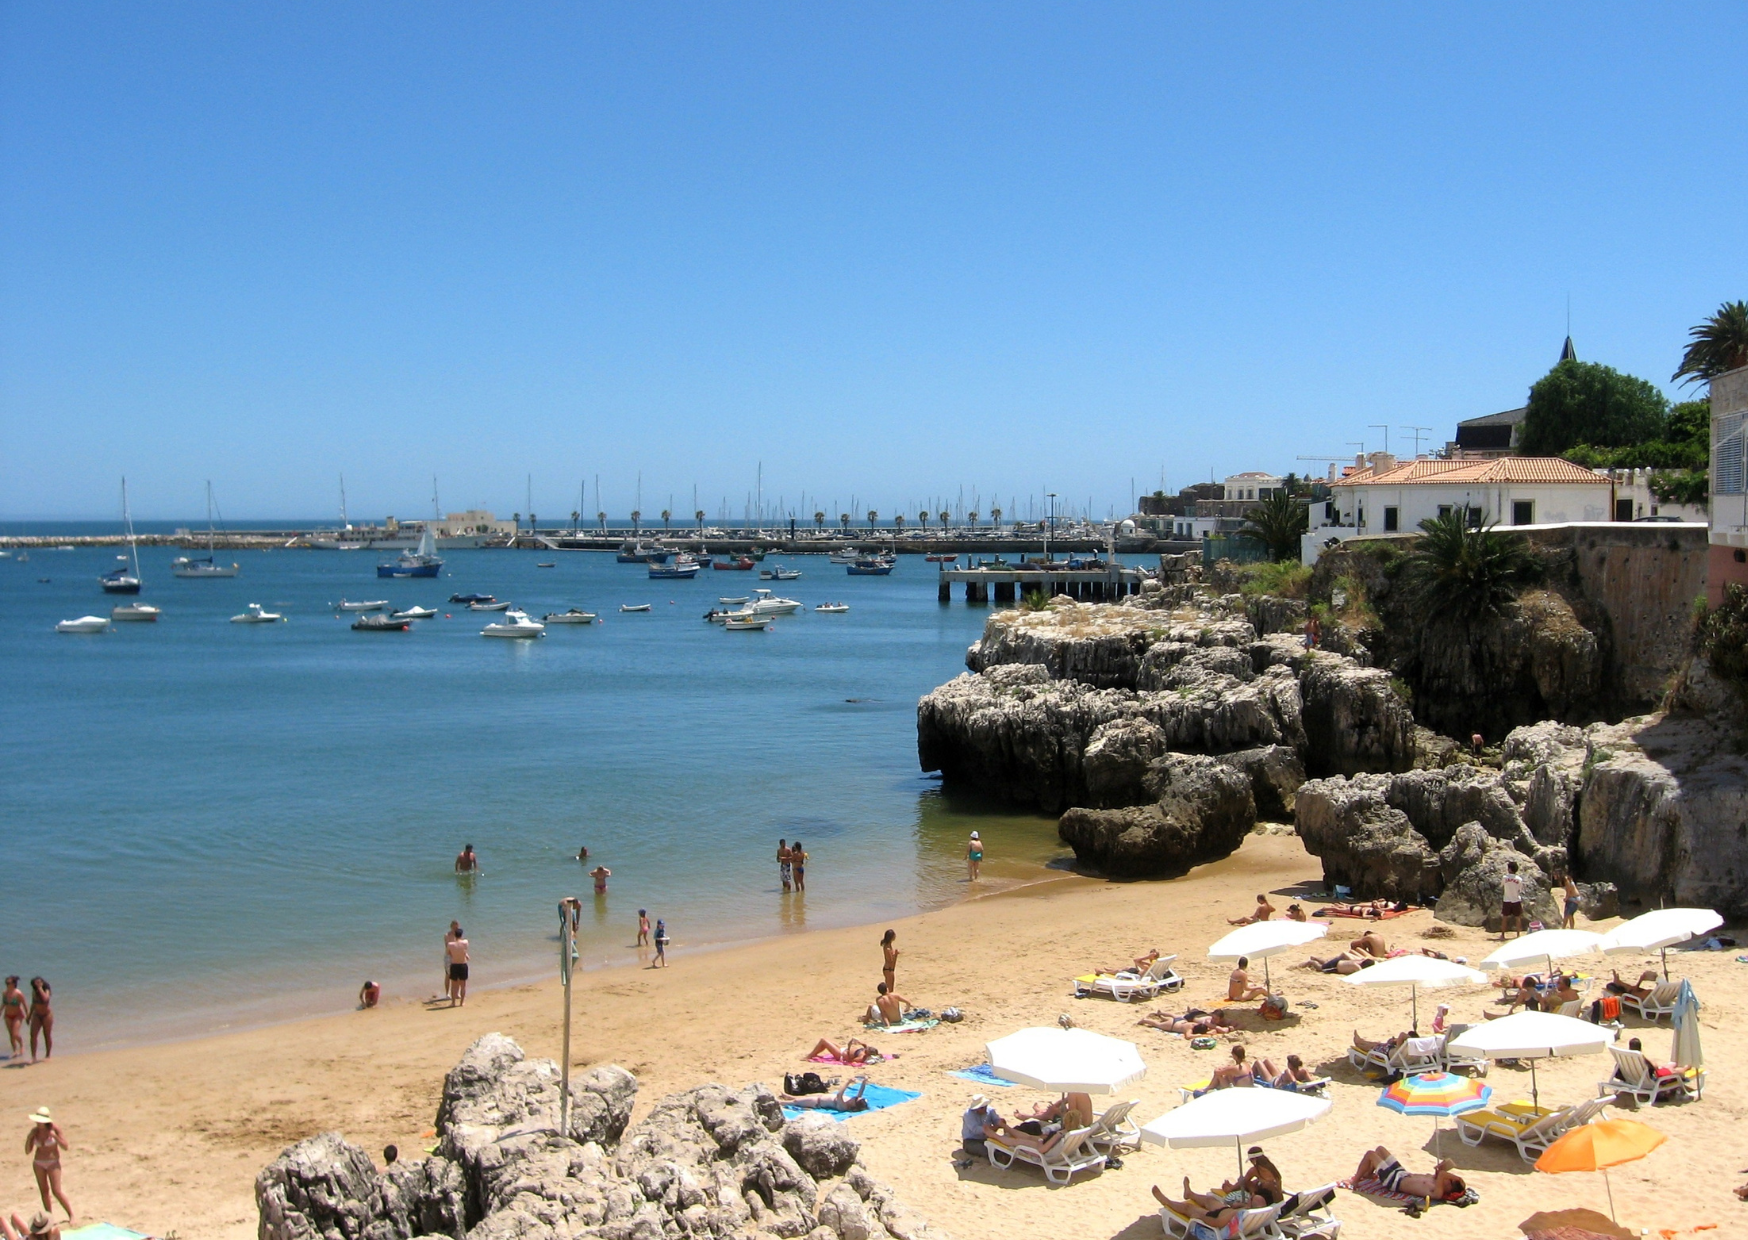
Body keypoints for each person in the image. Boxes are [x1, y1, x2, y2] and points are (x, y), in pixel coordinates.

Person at [1351, 1146, 1467, 1203]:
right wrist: (1442, 1167)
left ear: (1450, 1187)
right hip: (1401, 1173)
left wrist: (1446, 1174)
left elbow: (1443, 1174)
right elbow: (1451, 1163)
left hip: (1394, 1181)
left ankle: (1355, 1181)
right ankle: (1368, 1174)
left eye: (1449, 1180)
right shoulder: (1438, 1179)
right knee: (1380, 1149)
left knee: (1370, 1154)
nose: (1447, 1177)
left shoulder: (1437, 1192)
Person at [25, 1108, 72, 1223]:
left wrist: (55, 1137)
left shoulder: (54, 1129)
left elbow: (65, 1146)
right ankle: (49, 1218)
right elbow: (27, 1151)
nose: (38, 1123)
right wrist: (29, 1138)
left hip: (53, 1162)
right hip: (38, 1163)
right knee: (44, 1191)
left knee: (57, 1191)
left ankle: (71, 1215)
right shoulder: (35, 1132)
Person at [1151, 1178, 1251, 1231]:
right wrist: (1237, 1206)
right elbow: (1239, 1209)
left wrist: (1200, 1217)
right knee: (1210, 1200)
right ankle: (1190, 1194)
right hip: (1225, 1210)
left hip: (1216, 1217)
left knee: (1189, 1208)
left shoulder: (1234, 1219)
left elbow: (1217, 1223)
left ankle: (1166, 1201)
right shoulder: (1251, 1212)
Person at [781, 1076, 873, 1112]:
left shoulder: (844, 1106)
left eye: (856, 1099)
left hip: (817, 1102)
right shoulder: (852, 1101)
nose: (855, 1097)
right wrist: (864, 1082)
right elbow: (860, 1092)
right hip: (820, 1097)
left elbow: (839, 1095)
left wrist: (848, 1082)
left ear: (854, 1104)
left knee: (796, 1102)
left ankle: (779, 1102)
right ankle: (788, 1096)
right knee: (801, 1097)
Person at [1137, 1007, 1237, 1036]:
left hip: (1182, 1020)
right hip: (1189, 1018)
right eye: (1213, 1018)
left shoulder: (1199, 1024)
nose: (1214, 1020)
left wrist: (1234, 1026)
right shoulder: (1206, 1022)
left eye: (1216, 1019)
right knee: (1157, 1024)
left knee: (1174, 1017)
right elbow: (1188, 1036)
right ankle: (1146, 1020)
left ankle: (1162, 1015)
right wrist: (1229, 1029)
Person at [805, 1037, 879, 1065]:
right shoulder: (865, 1050)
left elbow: (849, 1061)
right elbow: (865, 1045)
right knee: (825, 1042)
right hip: (843, 1049)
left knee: (823, 1041)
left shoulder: (861, 1057)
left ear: (868, 1054)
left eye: (867, 1049)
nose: (866, 1048)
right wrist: (859, 1042)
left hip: (841, 1055)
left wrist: (849, 1046)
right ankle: (813, 1054)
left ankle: (809, 1056)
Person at [27, 980, 51, 1063]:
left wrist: (40, 988)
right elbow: (33, 1004)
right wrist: (29, 1016)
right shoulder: (34, 992)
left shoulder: (46, 990)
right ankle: (33, 1056)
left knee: (46, 1034)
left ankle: (48, 1055)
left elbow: (45, 999)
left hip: (46, 1015)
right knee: (33, 1035)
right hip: (36, 1015)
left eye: (39, 982)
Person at [446, 928, 470, 1007]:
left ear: (454, 935)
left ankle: (453, 1002)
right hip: (463, 964)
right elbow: (465, 947)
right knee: (463, 985)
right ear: (461, 935)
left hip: (454, 965)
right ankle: (462, 1002)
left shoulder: (450, 945)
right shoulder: (465, 943)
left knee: (454, 985)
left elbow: (448, 953)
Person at [1500, 861, 1523, 939]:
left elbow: (1501, 885)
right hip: (1516, 899)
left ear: (1509, 869)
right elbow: (1520, 889)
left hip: (1507, 899)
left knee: (1505, 918)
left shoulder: (1505, 878)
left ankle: (1503, 935)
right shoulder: (1519, 879)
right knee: (1518, 918)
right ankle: (1518, 935)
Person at [2, 978, 24, 1060]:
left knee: (15, 1034)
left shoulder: (18, 993)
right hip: (7, 1015)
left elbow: (24, 1004)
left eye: (9, 983)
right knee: (11, 1034)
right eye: (6, 983)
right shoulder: (4, 993)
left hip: (17, 1015)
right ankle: (14, 1050)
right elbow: (4, 1003)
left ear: (14, 984)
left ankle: (21, 1045)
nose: (7, 984)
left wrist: (28, 1016)